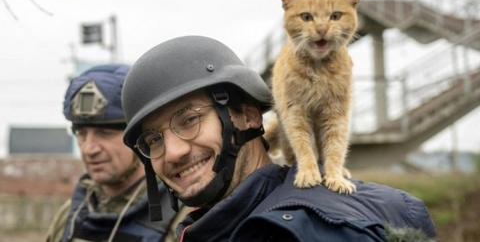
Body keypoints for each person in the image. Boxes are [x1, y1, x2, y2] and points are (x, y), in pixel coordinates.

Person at [121, 36, 437, 241]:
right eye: (153, 140)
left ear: (247, 115)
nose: (173, 152)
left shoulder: (277, 233)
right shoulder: (226, 226)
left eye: (189, 120)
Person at [45, 64, 178, 242]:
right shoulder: (71, 214)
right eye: (81, 133)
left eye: (105, 134)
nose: (89, 149)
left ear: (140, 137)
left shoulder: (183, 217)